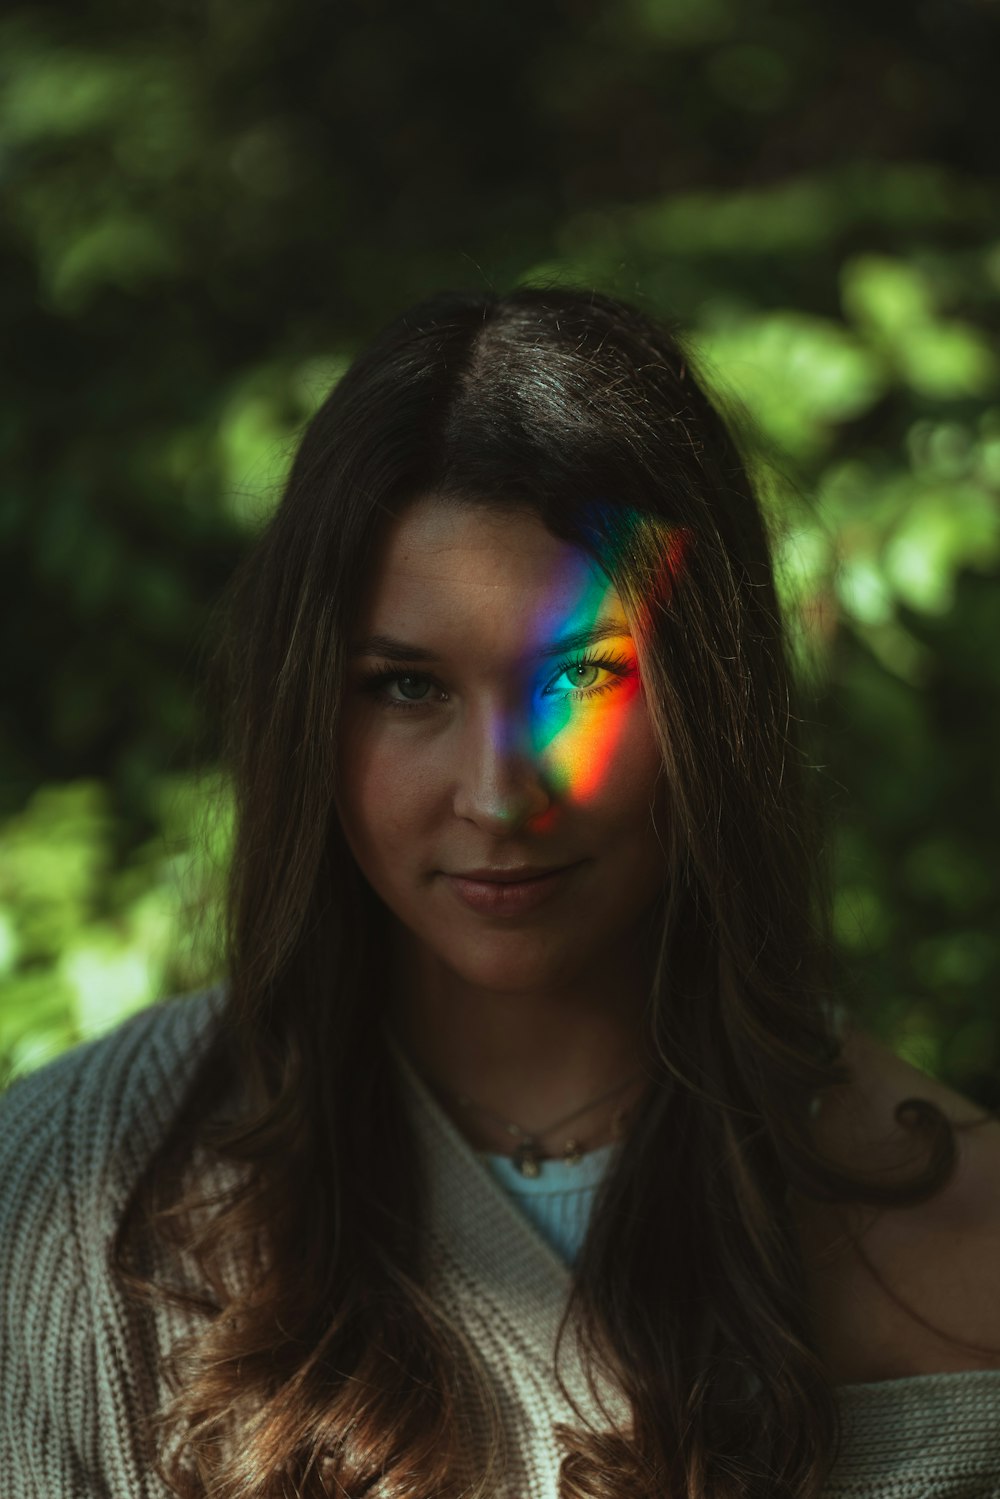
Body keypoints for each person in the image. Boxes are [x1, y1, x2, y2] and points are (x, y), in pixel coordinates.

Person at [2, 287, 1000, 1499]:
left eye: (582, 674)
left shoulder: (961, 1240)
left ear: (712, 703)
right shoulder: (76, 1198)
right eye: (406, 687)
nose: (498, 795)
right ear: (307, 710)